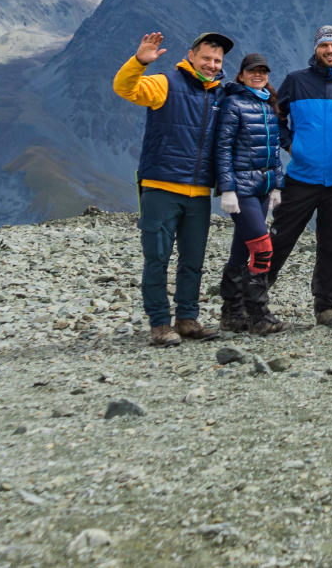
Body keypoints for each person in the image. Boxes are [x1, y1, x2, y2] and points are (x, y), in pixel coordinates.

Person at [113, 30, 232, 347]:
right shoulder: (165, 83)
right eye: (206, 57)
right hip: (161, 189)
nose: (211, 64)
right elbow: (125, 88)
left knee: (192, 261)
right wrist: (139, 62)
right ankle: (159, 325)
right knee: (158, 259)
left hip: (199, 194)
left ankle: (187, 319)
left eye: (217, 60)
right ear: (191, 56)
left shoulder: (220, 95)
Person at [269, 26, 332, 329]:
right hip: (301, 178)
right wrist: (289, 144)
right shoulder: (296, 81)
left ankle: (326, 308)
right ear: (316, 49)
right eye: (324, 45)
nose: (329, 50)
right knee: (280, 240)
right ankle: (251, 300)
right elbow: (276, 116)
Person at [212, 53, 288, 334]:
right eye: (252, 71)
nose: (258, 75)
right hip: (242, 189)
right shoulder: (233, 104)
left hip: (263, 188)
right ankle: (259, 315)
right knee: (263, 248)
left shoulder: (268, 104)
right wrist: (227, 189)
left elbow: (274, 150)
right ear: (241, 74)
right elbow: (222, 149)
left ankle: (232, 313)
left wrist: (277, 184)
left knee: (240, 250)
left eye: (263, 71)